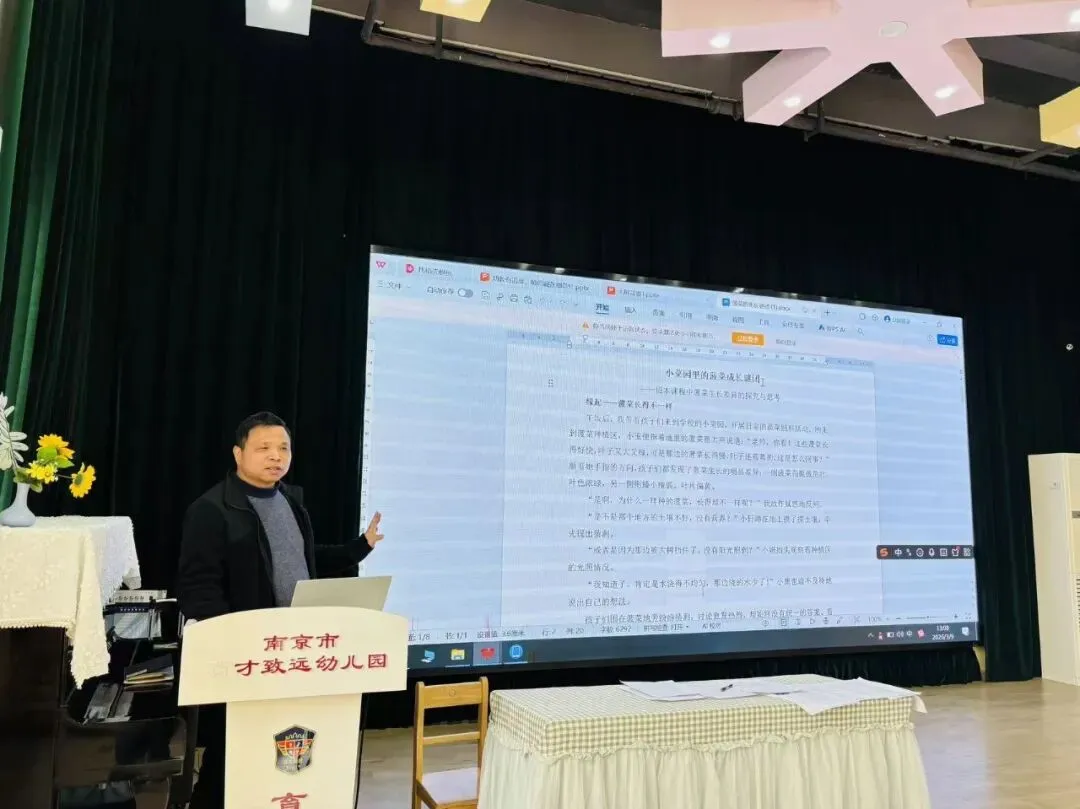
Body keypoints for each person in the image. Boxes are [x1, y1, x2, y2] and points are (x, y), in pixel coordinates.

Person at [176, 411, 385, 808]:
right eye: (264, 448)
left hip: (295, 653)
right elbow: (198, 589)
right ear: (238, 454)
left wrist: (359, 547)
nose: (276, 456)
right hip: (248, 658)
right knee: (231, 757)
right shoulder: (212, 509)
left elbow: (301, 559)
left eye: (283, 448)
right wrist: (235, 642)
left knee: (287, 751)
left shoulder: (289, 500)